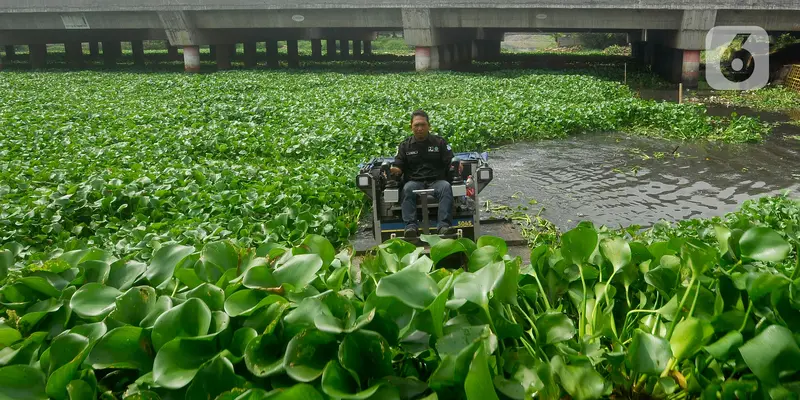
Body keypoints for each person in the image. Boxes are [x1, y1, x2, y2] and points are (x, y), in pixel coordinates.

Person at [390, 109, 455, 238]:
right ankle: (410, 227)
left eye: (423, 125)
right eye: (416, 125)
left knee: (446, 187)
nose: (420, 128)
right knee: (407, 188)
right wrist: (395, 170)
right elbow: (398, 165)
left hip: (437, 181)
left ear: (429, 126)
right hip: (414, 182)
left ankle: (443, 226)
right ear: (411, 127)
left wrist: (456, 165)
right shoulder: (404, 146)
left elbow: (450, 161)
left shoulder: (440, 142)